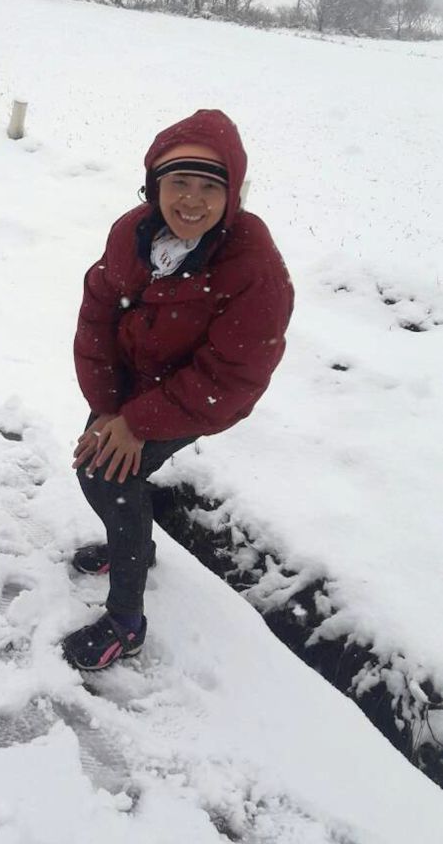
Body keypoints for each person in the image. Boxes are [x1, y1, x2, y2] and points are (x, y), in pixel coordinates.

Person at [62, 108, 294, 671]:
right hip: (132, 387)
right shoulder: (131, 233)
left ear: (232, 193)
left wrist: (137, 424)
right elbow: (98, 316)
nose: (192, 200)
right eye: (178, 183)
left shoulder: (254, 266)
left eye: (209, 186)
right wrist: (107, 409)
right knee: (100, 464)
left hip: (199, 393)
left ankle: (126, 623)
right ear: (154, 186)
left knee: (107, 472)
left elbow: (232, 376)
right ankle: (134, 546)